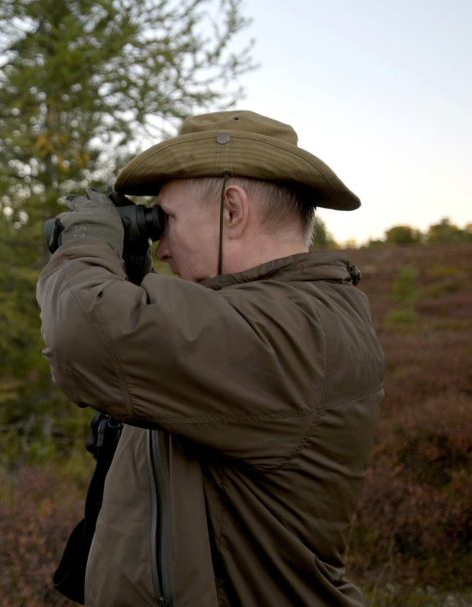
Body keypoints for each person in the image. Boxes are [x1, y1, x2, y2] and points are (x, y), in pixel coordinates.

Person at [36, 110, 384, 606]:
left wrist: (87, 245)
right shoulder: (269, 317)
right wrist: (131, 278)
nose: (163, 250)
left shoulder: (296, 331)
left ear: (232, 210)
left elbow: (86, 336)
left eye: (166, 221)